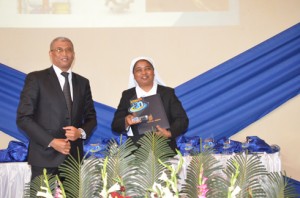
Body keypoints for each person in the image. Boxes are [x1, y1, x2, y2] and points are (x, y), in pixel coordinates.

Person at [16, 37, 97, 180]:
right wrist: (52, 141)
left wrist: (80, 132)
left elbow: (91, 118)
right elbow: (23, 118)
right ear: (51, 54)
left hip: (73, 160)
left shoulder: (83, 83)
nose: (64, 53)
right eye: (59, 49)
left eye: (68, 50)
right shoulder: (36, 78)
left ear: (73, 54)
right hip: (44, 158)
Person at [111, 56, 189, 152]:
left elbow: (182, 120)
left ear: (153, 72)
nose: (144, 73)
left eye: (147, 69)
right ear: (134, 75)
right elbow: (115, 125)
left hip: (165, 150)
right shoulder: (127, 95)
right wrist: (126, 121)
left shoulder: (167, 93)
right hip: (136, 153)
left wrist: (169, 133)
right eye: (139, 70)